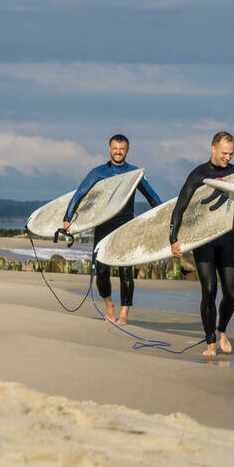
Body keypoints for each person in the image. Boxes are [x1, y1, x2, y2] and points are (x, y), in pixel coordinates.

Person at [169, 131, 234, 357]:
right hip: (205, 241)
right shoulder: (199, 174)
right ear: (213, 148)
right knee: (209, 290)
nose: (227, 157)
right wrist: (173, 238)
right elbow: (180, 206)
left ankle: (222, 331)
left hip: (227, 239)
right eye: (223, 153)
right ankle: (210, 341)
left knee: (231, 293)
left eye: (231, 154)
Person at [64, 134, 161, 324]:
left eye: (122, 148)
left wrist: (163, 218)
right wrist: (68, 219)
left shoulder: (134, 173)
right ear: (109, 148)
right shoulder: (98, 173)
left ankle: (124, 313)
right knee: (101, 271)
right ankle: (109, 305)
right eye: (115, 148)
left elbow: (152, 197)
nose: (118, 152)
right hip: (103, 225)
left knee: (125, 271)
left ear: (127, 150)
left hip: (125, 225)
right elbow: (80, 194)